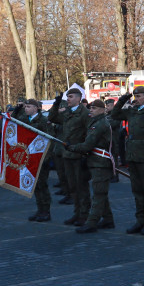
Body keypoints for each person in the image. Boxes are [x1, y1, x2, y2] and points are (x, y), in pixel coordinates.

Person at [111, 86, 144, 235]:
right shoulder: (132, 111)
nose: (137, 99)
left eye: (140, 96)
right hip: (133, 156)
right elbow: (115, 114)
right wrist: (122, 100)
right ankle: (139, 221)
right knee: (137, 191)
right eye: (135, 96)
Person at [69, 99, 115, 233]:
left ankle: (91, 222)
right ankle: (108, 219)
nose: (91, 110)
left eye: (94, 108)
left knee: (99, 194)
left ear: (102, 110)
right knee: (101, 192)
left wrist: (72, 147)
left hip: (100, 163)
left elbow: (88, 145)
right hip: (95, 162)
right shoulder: (95, 122)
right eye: (90, 108)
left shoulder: (100, 124)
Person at [49, 88, 91, 227]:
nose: (68, 99)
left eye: (71, 97)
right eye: (67, 97)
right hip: (67, 154)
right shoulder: (67, 113)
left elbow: (88, 134)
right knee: (72, 187)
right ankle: (77, 213)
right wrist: (56, 103)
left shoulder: (84, 113)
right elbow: (52, 118)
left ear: (79, 98)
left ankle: (84, 215)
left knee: (81, 187)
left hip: (79, 155)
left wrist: (86, 153)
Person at [22, 99, 55, 222]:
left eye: (29, 106)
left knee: (42, 185)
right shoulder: (26, 120)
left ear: (36, 108)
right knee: (35, 186)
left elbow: (50, 139)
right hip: (30, 157)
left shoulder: (43, 121)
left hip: (41, 158)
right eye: (25, 106)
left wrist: (46, 158)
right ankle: (40, 209)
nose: (26, 108)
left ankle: (46, 211)